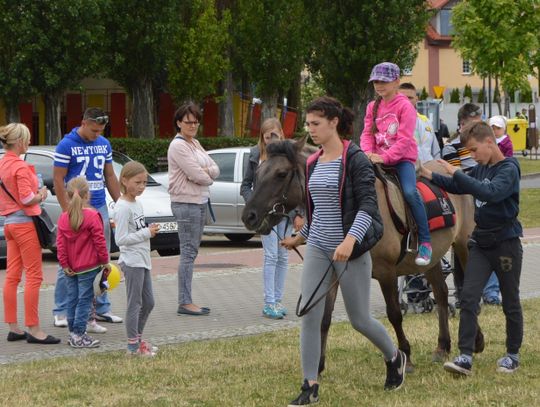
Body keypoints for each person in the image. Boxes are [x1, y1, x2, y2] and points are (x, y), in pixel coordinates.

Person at [282, 96, 406, 405]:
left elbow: (367, 206)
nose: (311, 129)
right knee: (309, 314)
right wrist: (301, 237)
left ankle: (394, 356)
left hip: (350, 251)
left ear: (334, 122)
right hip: (319, 249)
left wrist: (350, 241)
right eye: (308, 124)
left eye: (316, 123)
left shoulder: (355, 159)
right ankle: (310, 384)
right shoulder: (312, 162)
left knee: (359, 319)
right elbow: (319, 211)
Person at [420, 121, 523, 376]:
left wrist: (456, 173)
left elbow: (490, 193)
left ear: (489, 142)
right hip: (480, 244)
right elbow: (461, 187)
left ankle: (512, 355)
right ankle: (465, 356)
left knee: (510, 301)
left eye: (474, 150)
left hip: (506, 244)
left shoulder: (509, 168)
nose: (473, 156)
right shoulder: (480, 169)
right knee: (467, 297)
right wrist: (431, 176)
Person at [53, 107, 123, 332]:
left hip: (99, 207)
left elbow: (109, 175)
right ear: (83, 123)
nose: (97, 135)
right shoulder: (66, 145)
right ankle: (61, 310)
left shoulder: (104, 143)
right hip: (76, 208)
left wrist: (121, 204)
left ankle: (101, 307)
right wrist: (67, 211)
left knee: (101, 259)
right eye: (94, 130)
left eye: (101, 131)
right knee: (69, 259)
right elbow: (58, 179)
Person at [361, 62, 432, 266]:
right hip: (375, 159)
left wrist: (385, 157)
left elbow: (404, 139)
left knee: (409, 192)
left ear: (396, 82)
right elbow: (367, 134)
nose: (379, 85)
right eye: (376, 81)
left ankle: (425, 241)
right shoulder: (372, 107)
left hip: (401, 160)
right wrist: (367, 152)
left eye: (384, 81)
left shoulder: (405, 106)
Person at [0, 123, 61, 345]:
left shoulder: (2, 164)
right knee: (34, 276)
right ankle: (34, 329)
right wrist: (42, 194)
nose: (29, 142)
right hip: (25, 224)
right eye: (26, 139)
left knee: (12, 275)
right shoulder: (20, 166)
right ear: (18, 142)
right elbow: (27, 199)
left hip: (9, 224)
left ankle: (13, 327)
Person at [241, 118, 304, 319]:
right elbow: (246, 185)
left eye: (274, 135)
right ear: (262, 137)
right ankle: (269, 303)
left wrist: (298, 214)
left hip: (284, 214)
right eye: (267, 136)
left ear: (281, 134)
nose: (270, 140)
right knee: (271, 256)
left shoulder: (287, 155)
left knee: (283, 256)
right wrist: (255, 205)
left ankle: (277, 300)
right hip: (266, 213)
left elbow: (295, 186)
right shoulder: (255, 155)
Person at [168, 102, 219, 316]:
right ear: (179, 123)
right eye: (188, 122)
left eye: (196, 122)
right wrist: (204, 174)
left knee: (192, 251)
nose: (193, 125)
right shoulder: (178, 146)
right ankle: (185, 302)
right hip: (186, 203)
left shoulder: (195, 143)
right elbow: (197, 175)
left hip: (199, 202)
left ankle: (186, 300)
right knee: (188, 252)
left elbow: (215, 168)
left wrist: (203, 172)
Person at [56, 177, 110, 348]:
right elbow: (100, 241)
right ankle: (79, 334)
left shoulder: (63, 217)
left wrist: (64, 264)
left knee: (72, 299)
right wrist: (105, 261)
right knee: (85, 301)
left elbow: (60, 244)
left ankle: (73, 333)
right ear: (87, 195)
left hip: (70, 267)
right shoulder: (93, 216)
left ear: (68, 196)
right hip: (89, 266)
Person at [114, 161, 159, 356]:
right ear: (124, 181)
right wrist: (146, 233)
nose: (142, 187)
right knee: (135, 303)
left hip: (142, 259)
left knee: (149, 302)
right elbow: (121, 239)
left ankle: (138, 339)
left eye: (144, 183)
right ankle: (133, 346)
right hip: (132, 261)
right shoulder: (123, 207)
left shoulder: (137, 203)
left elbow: (137, 230)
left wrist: (147, 230)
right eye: (137, 182)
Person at [481, 115, 514, 306]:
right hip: (485, 215)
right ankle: (488, 290)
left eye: (497, 127)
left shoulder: (506, 148)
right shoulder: (483, 154)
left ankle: (494, 291)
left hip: (501, 222)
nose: (495, 130)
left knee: (501, 252)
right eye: (492, 127)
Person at [398, 82, 441, 162]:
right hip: (408, 167)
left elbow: (435, 152)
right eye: (403, 98)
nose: (407, 101)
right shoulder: (392, 123)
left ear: (416, 99)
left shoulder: (426, 121)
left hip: (428, 167)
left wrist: (436, 166)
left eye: (410, 98)